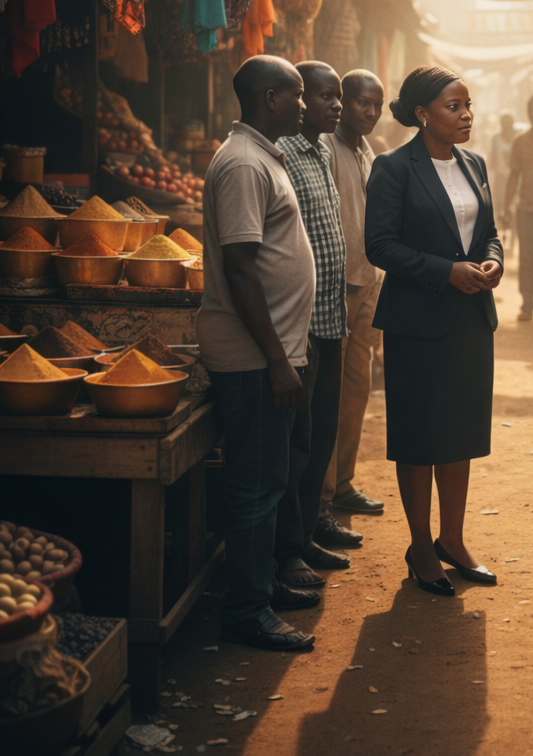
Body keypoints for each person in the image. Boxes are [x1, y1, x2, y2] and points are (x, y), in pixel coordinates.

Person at [365, 65, 503, 596]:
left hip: (470, 317)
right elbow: (380, 244)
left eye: (469, 105)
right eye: (454, 106)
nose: (466, 115)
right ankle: (421, 544)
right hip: (416, 322)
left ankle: (453, 538)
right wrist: (445, 271)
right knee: (419, 434)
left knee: (461, 430)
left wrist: (491, 263)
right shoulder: (394, 168)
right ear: (423, 114)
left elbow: (488, 233)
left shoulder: (476, 164)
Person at [197, 55, 317, 651]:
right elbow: (241, 270)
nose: (304, 103)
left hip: (271, 351)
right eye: (296, 94)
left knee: (266, 477)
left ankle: (260, 584)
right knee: (256, 483)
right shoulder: (243, 164)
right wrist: (275, 359)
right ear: (270, 98)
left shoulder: (261, 156)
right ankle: (248, 610)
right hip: (253, 359)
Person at [273, 61, 352, 589]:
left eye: (335, 96)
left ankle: (304, 534)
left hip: (331, 318)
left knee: (323, 432)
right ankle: (287, 550)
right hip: (301, 325)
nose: (334, 105)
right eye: (325, 96)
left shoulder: (322, 150)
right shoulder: (281, 156)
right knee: (294, 445)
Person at [320, 70, 387, 525]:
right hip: (334, 289)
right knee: (327, 393)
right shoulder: (324, 149)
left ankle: (342, 483)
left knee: (357, 389)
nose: (369, 112)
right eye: (362, 102)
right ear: (343, 102)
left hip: (369, 283)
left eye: (376, 105)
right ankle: (321, 496)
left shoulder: (369, 154)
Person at [504, 94, 533, 321]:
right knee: (527, 258)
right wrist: (506, 207)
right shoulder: (520, 142)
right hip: (526, 210)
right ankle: (527, 304)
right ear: (528, 113)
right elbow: (513, 176)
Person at [489, 110, 516, 238]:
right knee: (500, 204)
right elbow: (491, 159)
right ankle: (502, 234)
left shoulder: (517, 138)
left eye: (508, 123)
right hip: (500, 178)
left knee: (514, 204)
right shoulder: (496, 139)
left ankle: (512, 236)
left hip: (515, 177)